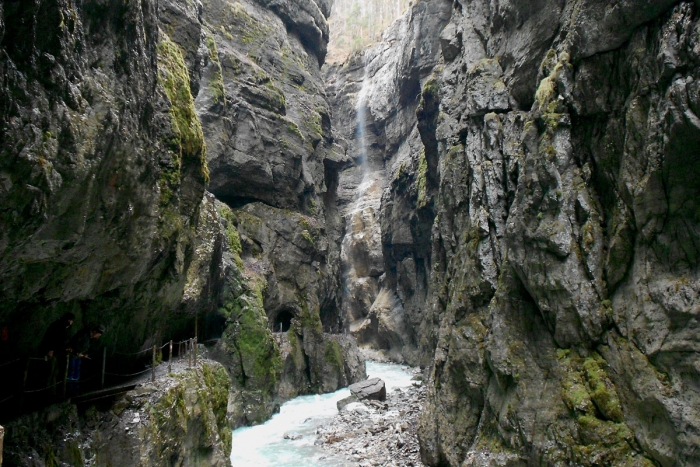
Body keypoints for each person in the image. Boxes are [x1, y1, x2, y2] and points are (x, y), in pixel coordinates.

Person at [39, 313, 75, 394]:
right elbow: (51, 338)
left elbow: (61, 340)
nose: (71, 322)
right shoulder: (58, 326)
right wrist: (50, 350)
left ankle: (51, 392)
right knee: (49, 372)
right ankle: (46, 392)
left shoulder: (64, 327)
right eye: (70, 320)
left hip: (57, 353)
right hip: (52, 353)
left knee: (54, 373)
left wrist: (66, 347)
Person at [67, 324, 104, 393]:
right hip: (73, 355)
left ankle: (75, 389)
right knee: (71, 371)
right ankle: (69, 389)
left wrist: (86, 354)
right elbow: (75, 342)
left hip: (79, 356)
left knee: (76, 372)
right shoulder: (83, 334)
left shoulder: (90, 338)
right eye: (98, 334)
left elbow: (87, 347)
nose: (98, 337)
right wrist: (77, 352)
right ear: (94, 332)